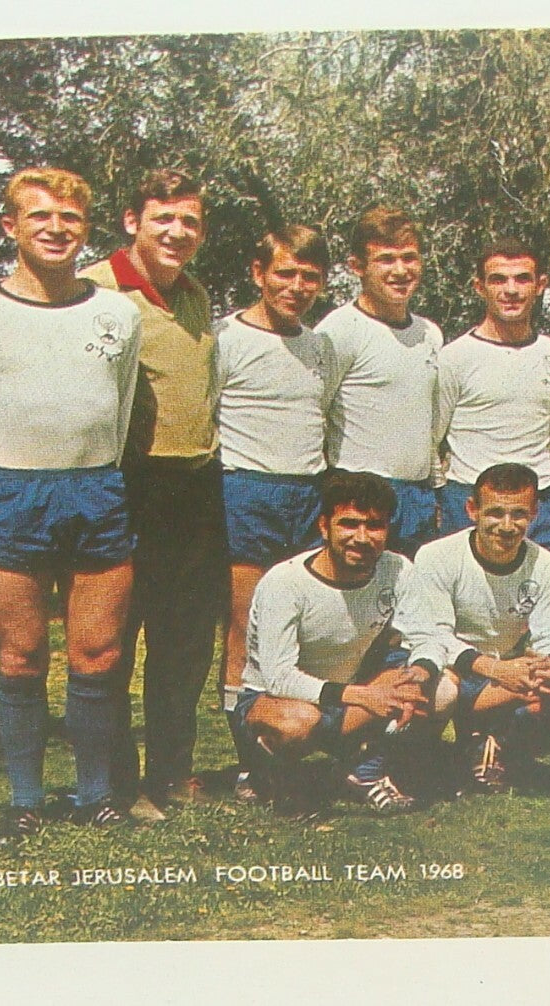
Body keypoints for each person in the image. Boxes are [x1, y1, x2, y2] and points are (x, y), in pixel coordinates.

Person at [0, 167, 142, 842]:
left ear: (87, 228)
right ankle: (23, 796)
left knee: (99, 655)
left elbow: (122, 407)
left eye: (71, 218)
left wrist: (98, 473)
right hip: (12, 494)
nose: (56, 229)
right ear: (11, 227)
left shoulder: (117, 313)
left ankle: (94, 792)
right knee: (21, 657)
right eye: (40, 216)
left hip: (96, 491)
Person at [82, 168, 223, 817]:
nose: (178, 231)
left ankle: (171, 776)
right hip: (125, 486)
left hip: (194, 486)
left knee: (185, 643)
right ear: (132, 222)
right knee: (112, 640)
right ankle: (117, 783)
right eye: (164, 218)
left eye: (190, 221)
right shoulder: (94, 291)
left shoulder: (195, 295)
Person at [235, 471, 450, 815]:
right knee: (299, 722)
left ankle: (364, 772)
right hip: (276, 700)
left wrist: (416, 679)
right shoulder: (285, 582)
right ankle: (260, 769)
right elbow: (279, 678)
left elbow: (430, 637)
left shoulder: (398, 570)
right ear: (324, 526)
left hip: (350, 691)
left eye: (374, 525)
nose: (362, 537)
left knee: (442, 690)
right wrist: (363, 696)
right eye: (349, 524)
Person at [214, 227, 341, 781]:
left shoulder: (320, 347)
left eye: (309, 277)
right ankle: (246, 755)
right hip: (248, 489)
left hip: (306, 490)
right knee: (246, 625)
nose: (296, 286)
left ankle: (289, 737)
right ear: (258, 273)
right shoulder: (225, 337)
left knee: (302, 623)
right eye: (284, 273)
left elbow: (327, 414)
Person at [394, 463, 550, 794]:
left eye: (518, 514)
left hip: (507, 672)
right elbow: (432, 635)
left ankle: (496, 747)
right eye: (495, 513)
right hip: (451, 670)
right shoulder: (437, 556)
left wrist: (549, 664)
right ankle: (419, 756)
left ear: (534, 513)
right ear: (472, 509)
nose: (507, 526)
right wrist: (493, 668)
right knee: (440, 691)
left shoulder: (549, 567)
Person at [315, 207, 444, 557]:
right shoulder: (337, 330)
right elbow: (316, 413)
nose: (400, 271)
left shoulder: (429, 333)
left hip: (416, 497)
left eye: (409, 258)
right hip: (359, 502)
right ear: (358, 266)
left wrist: (434, 487)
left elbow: (429, 421)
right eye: (386, 259)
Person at [434, 239, 550, 548]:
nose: (511, 290)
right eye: (498, 279)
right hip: (469, 499)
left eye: (522, 278)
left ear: (540, 285)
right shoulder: (455, 356)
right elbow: (434, 434)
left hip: (536, 501)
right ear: (479, 287)